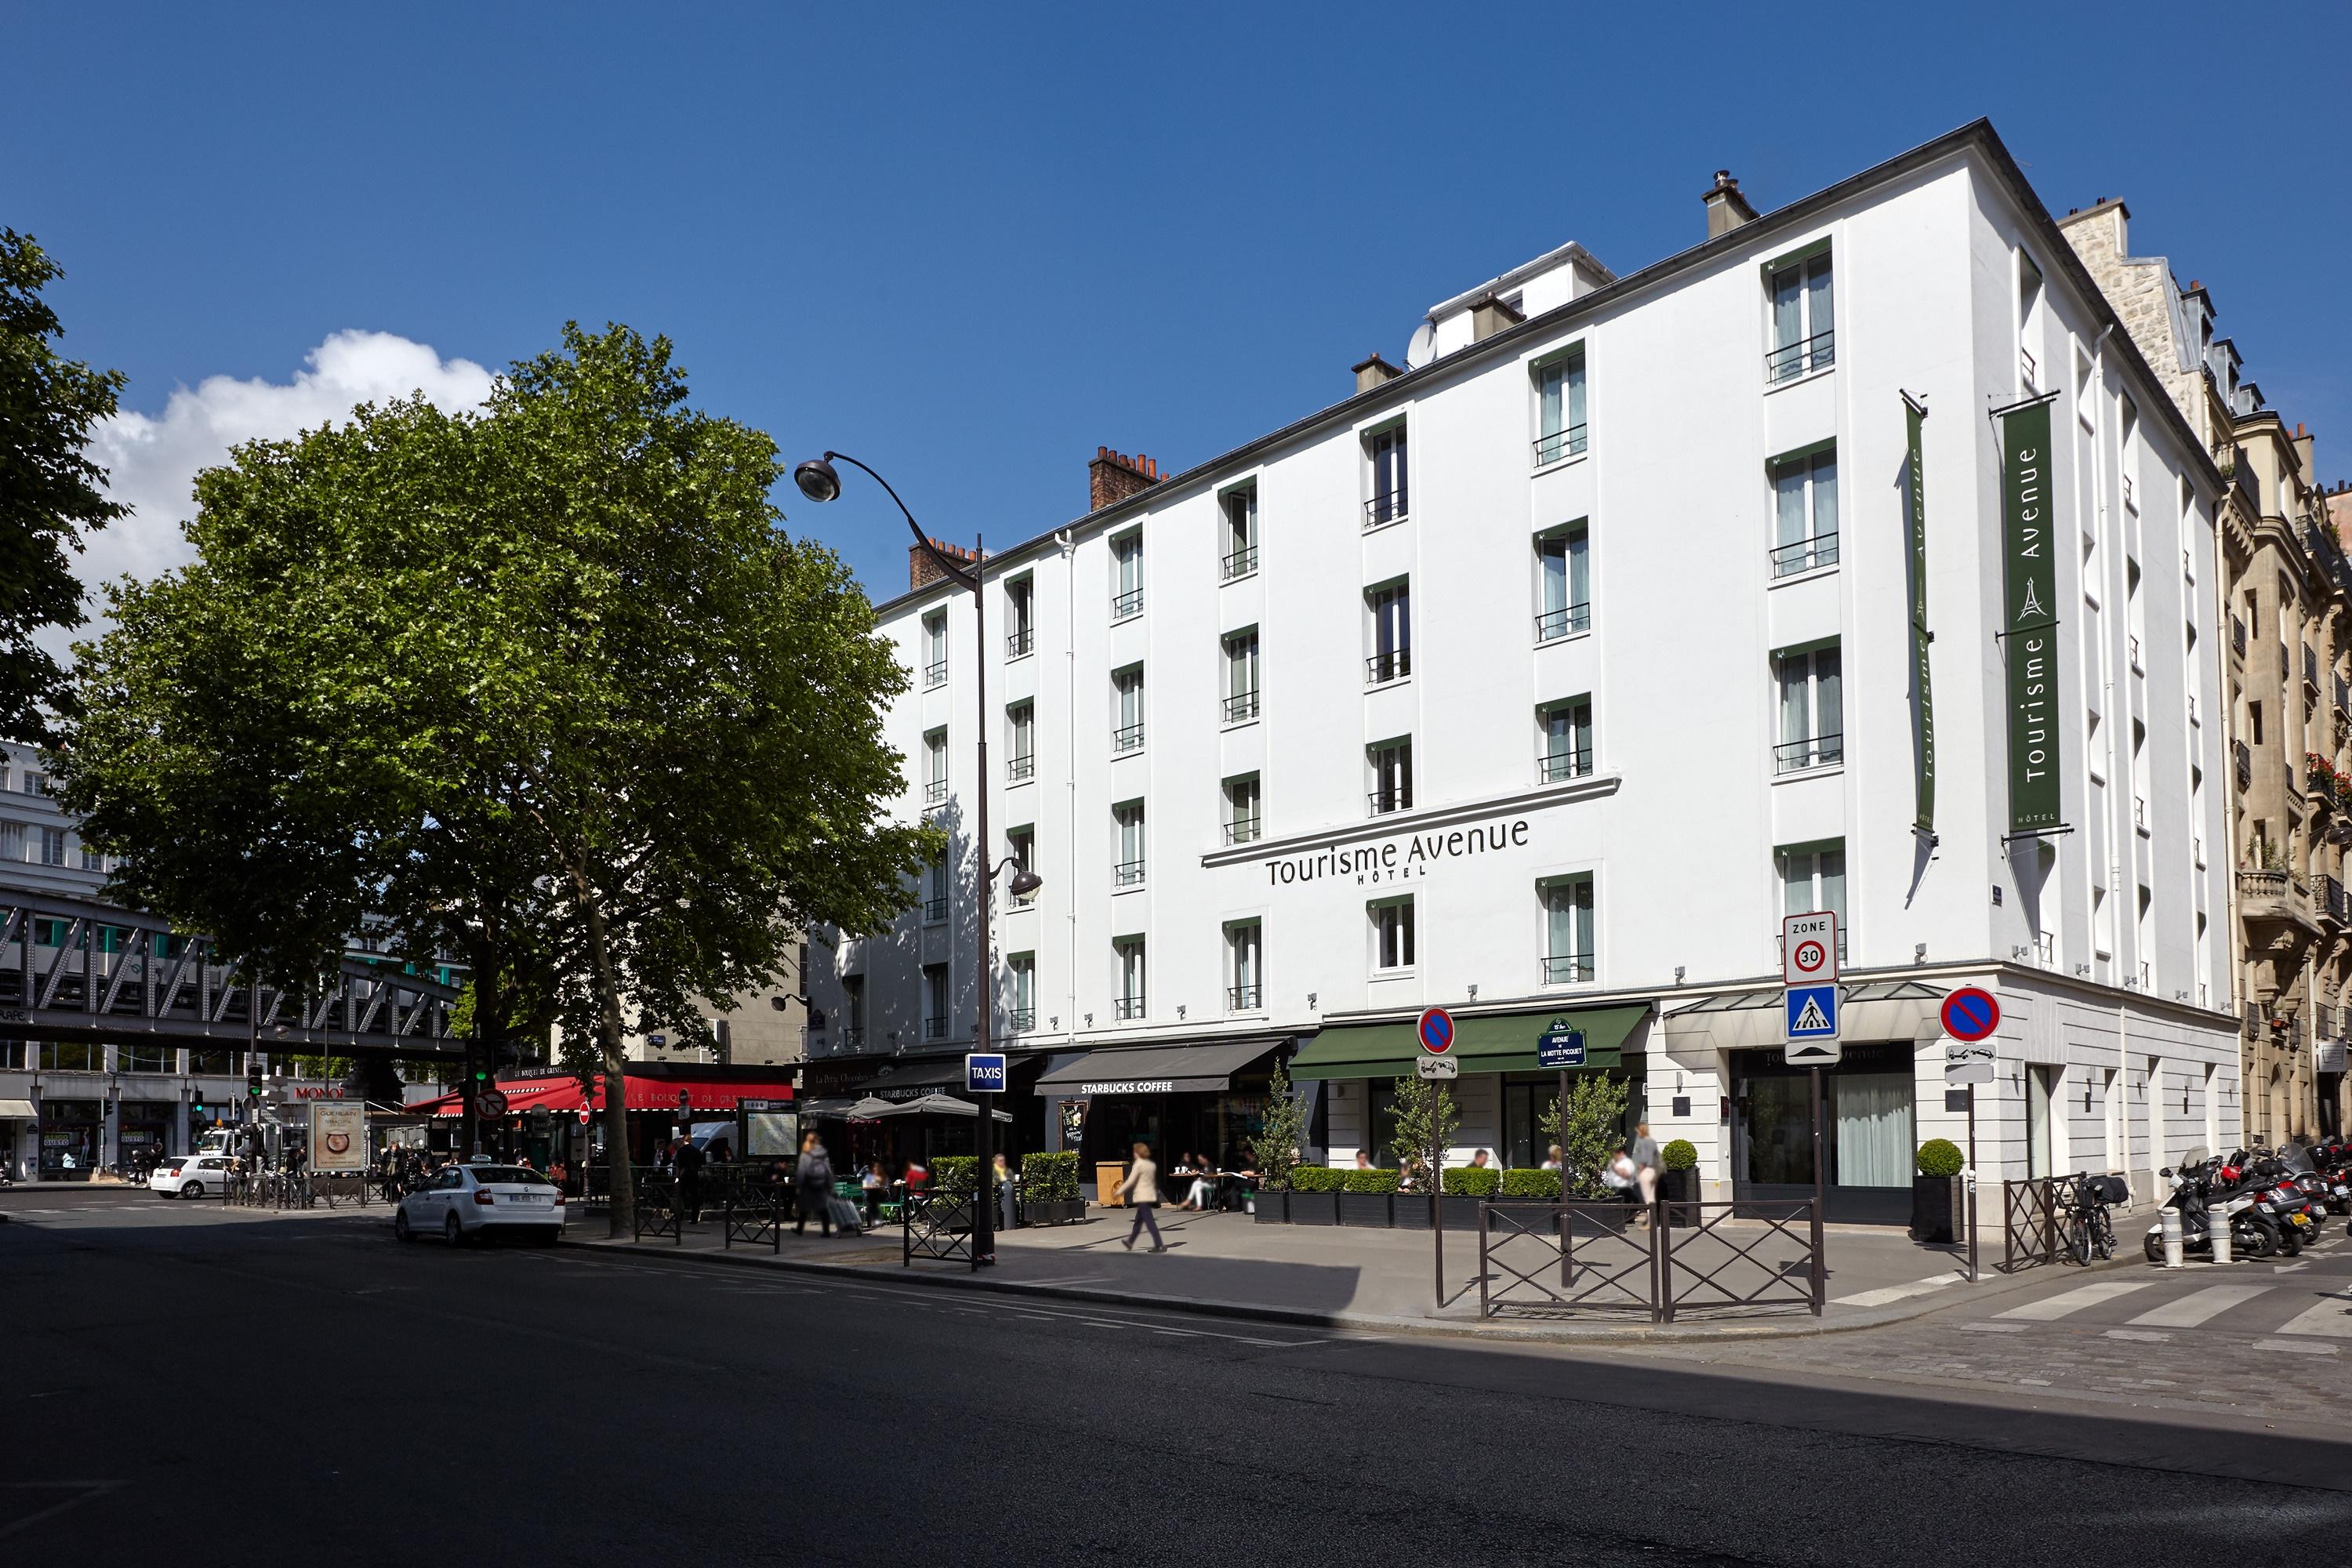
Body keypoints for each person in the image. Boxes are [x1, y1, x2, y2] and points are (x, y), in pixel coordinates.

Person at [1117, 1141, 1165, 1252]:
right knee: (1138, 1221)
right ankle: (1130, 1242)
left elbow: (1130, 1181)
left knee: (1149, 1222)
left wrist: (1119, 1191)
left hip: (1142, 1196)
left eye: (1135, 1151)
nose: (1134, 1153)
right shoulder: (1151, 1164)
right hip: (1149, 1195)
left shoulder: (1138, 1164)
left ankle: (1159, 1245)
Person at [794, 1131, 835, 1237]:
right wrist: (830, 1185)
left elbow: (801, 1171)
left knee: (804, 1207)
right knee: (823, 1208)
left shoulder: (806, 1153)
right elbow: (828, 1170)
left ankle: (799, 1229)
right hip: (822, 1184)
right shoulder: (823, 1153)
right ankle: (826, 1231)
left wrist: (798, 1185)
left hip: (809, 1184)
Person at [673, 1134, 706, 1224]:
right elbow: (702, 1163)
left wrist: (677, 1178)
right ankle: (694, 1218)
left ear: (684, 1140)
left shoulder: (681, 1151)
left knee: (681, 1196)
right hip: (694, 1175)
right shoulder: (696, 1151)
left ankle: (679, 1216)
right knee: (695, 1196)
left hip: (684, 1175)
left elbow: (679, 1166)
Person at [1630, 1122, 1661, 1207]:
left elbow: (1643, 1160)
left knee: (1647, 1198)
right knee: (1652, 1197)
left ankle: (1651, 1219)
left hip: (1645, 1171)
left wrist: (1639, 1173)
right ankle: (1653, 1218)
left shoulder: (1643, 1143)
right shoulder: (1653, 1142)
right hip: (1653, 1171)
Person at [993, 1152, 1017, 1235]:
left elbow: (1013, 1180)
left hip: (1007, 1193)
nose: (1002, 1162)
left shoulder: (1008, 1171)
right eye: (1000, 1161)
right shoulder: (993, 1172)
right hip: (998, 1195)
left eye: (1003, 1160)